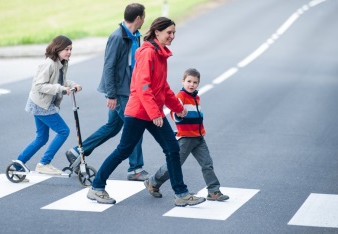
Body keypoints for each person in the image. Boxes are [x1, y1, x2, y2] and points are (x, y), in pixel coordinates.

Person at [86, 17, 206, 207]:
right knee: (123, 150)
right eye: (169, 32)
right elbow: (143, 86)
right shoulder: (147, 53)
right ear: (157, 32)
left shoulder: (161, 53)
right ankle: (97, 187)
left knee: (172, 149)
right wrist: (155, 114)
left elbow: (163, 87)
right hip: (139, 112)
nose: (172, 36)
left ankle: (181, 193)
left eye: (174, 33)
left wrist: (178, 108)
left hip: (152, 111)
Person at [65, 3, 149, 181]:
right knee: (134, 127)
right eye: (144, 16)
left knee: (113, 127)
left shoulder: (134, 35)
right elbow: (109, 67)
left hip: (129, 89)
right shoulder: (118, 37)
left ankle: (77, 151)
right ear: (138, 18)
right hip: (120, 92)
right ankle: (135, 169)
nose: (145, 19)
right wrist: (111, 95)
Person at [144, 68, 230, 201]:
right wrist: (178, 114)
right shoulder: (180, 97)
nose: (192, 84)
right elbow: (174, 113)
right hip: (185, 138)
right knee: (173, 165)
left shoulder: (196, 97)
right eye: (189, 81)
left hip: (198, 137)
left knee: (207, 164)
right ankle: (153, 182)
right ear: (183, 81)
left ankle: (213, 191)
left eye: (195, 82)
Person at [14, 35, 82, 178]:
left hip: (43, 103)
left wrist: (72, 85)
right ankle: (44, 163)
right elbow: (39, 85)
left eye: (70, 49)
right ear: (57, 49)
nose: (69, 52)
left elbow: (60, 80)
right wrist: (61, 89)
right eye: (66, 49)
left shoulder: (62, 62)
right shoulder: (49, 64)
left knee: (42, 138)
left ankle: (17, 165)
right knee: (63, 131)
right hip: (41, 104)